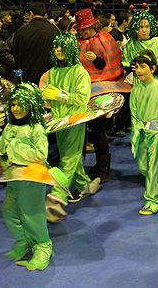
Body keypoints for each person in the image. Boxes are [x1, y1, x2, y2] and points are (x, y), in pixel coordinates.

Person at [0, 82, 52, 271]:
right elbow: (1, 148)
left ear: (31, 105)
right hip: (14, 176)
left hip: (32, 177)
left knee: (32, 213)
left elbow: (41, 155)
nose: (16, 108)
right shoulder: (10, 126)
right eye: (13, 104)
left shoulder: (36, 129)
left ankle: (42, 246)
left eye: (21, 104)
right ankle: (24, 240)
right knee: (10, 211)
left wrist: (14, 146)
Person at [42, 33, 100, 222]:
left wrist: (60, 94)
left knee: (68, 159)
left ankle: (57, 197)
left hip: (76, 120)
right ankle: (84, 186)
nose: (59, 50)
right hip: (59, 122)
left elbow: (82, 99)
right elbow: (51, 98)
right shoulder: (53, 72)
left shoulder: (80, 72)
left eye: (63, 46)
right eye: (56, 46)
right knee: (71, 156)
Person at [73, 8, 127, 183]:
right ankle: (96, 165)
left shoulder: (103, 39)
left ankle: (103, 166)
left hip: (102, 90)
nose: (83, 32)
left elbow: (105, 64)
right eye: (80, 29)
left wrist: (95, 58)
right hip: (83, 92)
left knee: (98, 129)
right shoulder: (77, 42)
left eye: (85, 28)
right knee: (89, 131)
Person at [129, 50, 158, 215]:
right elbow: (133, 112)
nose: (139, 70)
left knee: (153, 167)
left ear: (153, 68)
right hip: (142, 132)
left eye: (143, 67)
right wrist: (136, 130)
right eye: (137, 67)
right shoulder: (136, 89)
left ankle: (154, 200)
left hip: (157, 132)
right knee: (143, 165)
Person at [12, 3, 59, 84]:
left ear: (31, 14)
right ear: (44, 14)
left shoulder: (21, 31)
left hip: (27, 78)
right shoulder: (55, 30)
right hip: (50, 79)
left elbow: (17, 57)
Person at [122, 11, 158, 81]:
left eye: (147, 26)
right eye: (140, 27)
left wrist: (152, 70)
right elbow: (125, 62)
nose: (144, 30)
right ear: (135, 27)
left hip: (156, 85)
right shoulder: (131, 44)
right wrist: (129, 66)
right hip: (138, 86)